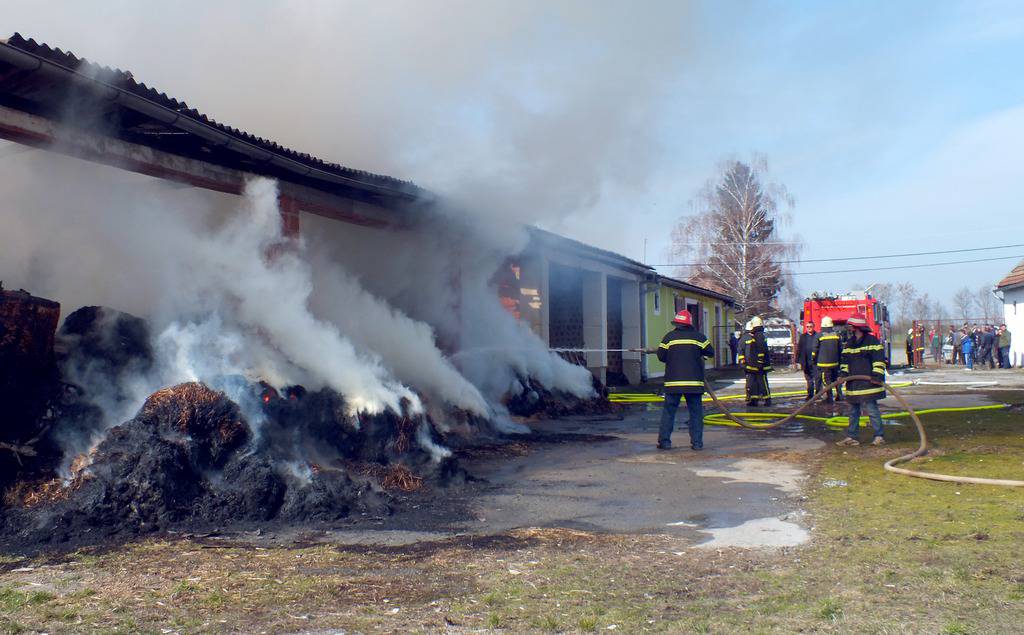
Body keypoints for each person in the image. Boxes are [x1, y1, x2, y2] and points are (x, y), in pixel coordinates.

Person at [652, 309, 714, 450]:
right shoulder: (699, 337)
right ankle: (697, 444)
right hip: (694, 383)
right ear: (689, 324)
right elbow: (710, 352)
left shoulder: (668, 338)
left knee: (669, 412)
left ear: (677, 323)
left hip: (673, 383)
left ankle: (665, 442)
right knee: (696, 414)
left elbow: (661, 356)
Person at [836, 312, 888, 447]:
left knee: (872, 410)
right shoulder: (849, 343)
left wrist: (876, 376)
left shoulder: (872, 341)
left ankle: (879, 436)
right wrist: (842, 375)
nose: (848, 328)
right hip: (854, 385)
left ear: (857, 327)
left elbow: (879, 361)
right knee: (853, 412)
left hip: (869, 383)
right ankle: (852, 437)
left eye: (851, 326)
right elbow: (845, 362)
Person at [742, 316, 772, 406]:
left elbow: (761, 349)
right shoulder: (758, 334)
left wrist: (759, 361)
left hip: (760, 365)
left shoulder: (759, 335)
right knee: (754, 382)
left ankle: (767, 399)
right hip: (756, 364)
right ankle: (754, 400)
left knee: (762, 382)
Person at [813, 316, 843, 402]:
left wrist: (813, 360)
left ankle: (829, 398)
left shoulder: (819, 335)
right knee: (837, 380)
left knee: (827, 381)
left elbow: (814, 350)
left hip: (823, 365)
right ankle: (839, 395)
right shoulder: (837, 335)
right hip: (835, 364)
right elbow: (841, 349)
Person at [795, 321, 817, 400]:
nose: (809, 328)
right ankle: (810, 395)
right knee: (809, 380)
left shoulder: (817, 336)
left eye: (810, 326)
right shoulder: (803, 337)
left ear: (813, 327)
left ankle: (818, 394)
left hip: (815, 362)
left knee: (817, 379)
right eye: (807, 327)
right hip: (806, 362)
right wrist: (797, 361)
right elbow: (799, 349)